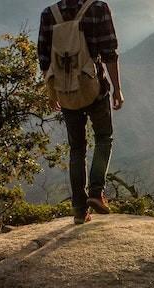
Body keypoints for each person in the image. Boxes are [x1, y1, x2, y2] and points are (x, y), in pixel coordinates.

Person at [38, 0, 124, 224]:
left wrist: (52, 93)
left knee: (77, 149)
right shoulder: (98, 8)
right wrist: (117, 89)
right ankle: (96, 193)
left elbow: (44, 59)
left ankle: (78, 209)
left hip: (66, 91)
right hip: (94, 88)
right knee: (104, 137)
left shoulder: (49, 13)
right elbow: (109, 52)